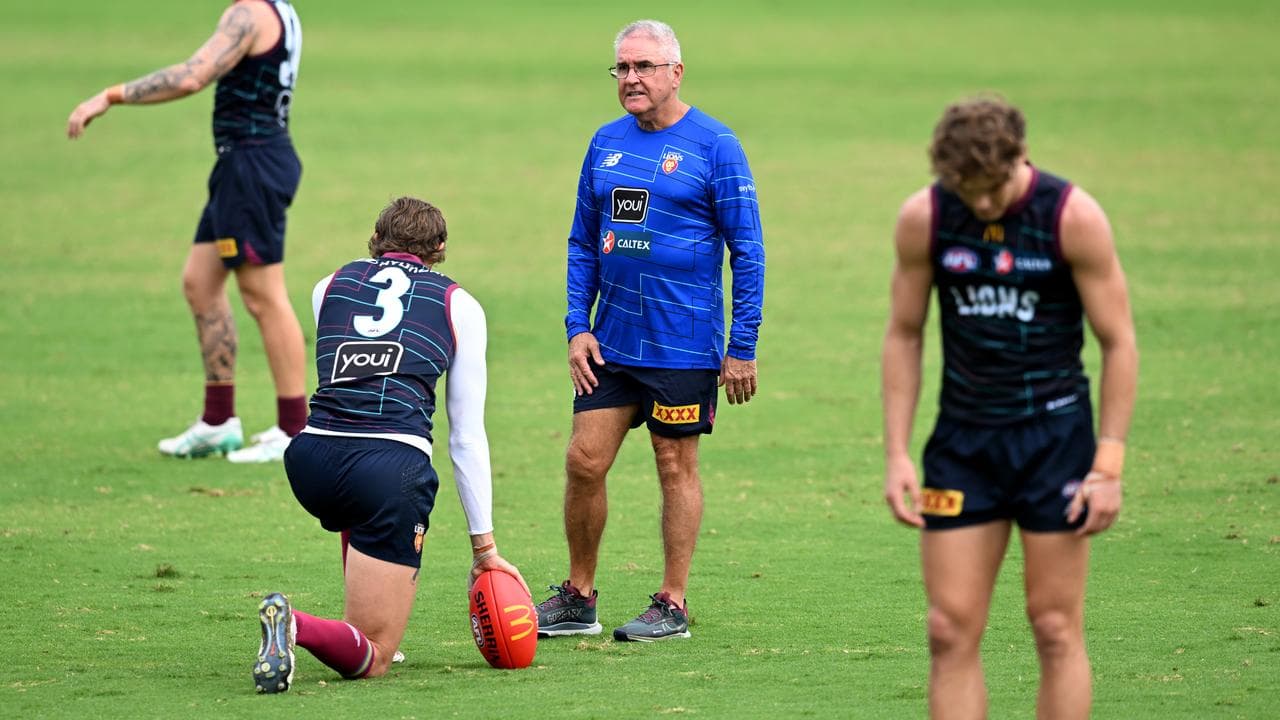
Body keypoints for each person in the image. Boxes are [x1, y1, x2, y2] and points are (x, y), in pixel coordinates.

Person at [881, 96, 1139, 719]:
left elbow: (1119, 342)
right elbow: (905, 334)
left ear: (1021, 157)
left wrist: (1108, 463)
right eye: (966, 190)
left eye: (992, 189)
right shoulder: (926, 216)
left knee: (1053, 626)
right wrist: (896, 453)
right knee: (947, 630)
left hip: (1055, 444)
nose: (982, 204)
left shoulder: (1072, 216)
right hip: (963, 446)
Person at [535, 19, 765, 643]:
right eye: (622, 68)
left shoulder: (716, 146)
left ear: (676, 72)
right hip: (611, 340)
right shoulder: (605, 142)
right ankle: (579, 596)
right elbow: (582, 242)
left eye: (643, 66)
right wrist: (576, 327)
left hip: (682, 343)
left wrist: (741, 346)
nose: (631, 78)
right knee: (583, 461)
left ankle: (673, 602)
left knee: (673, 463)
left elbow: (748, 251)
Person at [251, 196, 529, 693]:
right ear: (439, 248)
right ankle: (296, 626)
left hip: (310, 459)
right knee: (375, 656)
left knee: (359, 503)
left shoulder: (327, 286)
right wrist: (484, 547)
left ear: (377, 238)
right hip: (388, 471)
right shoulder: (460, 305)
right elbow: (465, 435)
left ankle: (356, 623)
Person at [67, 0, 308, 463]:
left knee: (263, 294)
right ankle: (218, 421)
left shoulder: (249, 13)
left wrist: (110, 95)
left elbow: (193, 76)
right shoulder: (277, 9)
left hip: (252, 167)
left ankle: (293, 430)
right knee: (201, 282)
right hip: (240, 165)